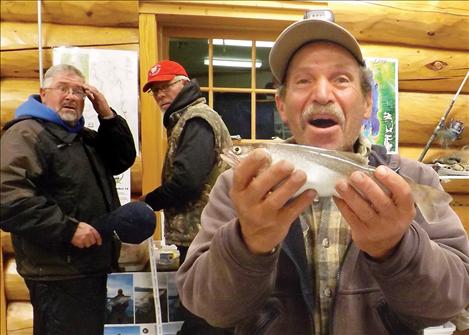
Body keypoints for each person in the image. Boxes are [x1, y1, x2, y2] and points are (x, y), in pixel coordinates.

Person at [176, 18, 469, 334]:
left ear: (368, 101)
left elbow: (451, 302)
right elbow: (210, 309)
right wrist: (249, 243)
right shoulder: (239, 188)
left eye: (341, 79)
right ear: (282, 106)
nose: (322, 94)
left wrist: (396, 248)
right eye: (303, 81)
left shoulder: (414, 179)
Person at [0, 64, 154, 335]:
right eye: (62, 88)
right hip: (58, 272)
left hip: (86, 267)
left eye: (78, 91)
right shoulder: (27, 133)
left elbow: (121, 158)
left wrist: (107, 115)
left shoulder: (80, 138)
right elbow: (9, 198)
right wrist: (68, 229)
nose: (71, 96)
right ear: (43, 93)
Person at [141, 60, 233, 334]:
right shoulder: (186, 120)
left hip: (204, 236)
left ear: (184, 83)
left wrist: (147, 203)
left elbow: (187, 181)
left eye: (165, 86)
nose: (159, 95)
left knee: (203, 316)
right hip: (201, 235)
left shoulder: (196, 120)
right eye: (154, 91)